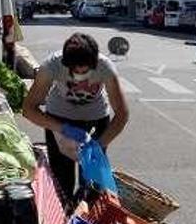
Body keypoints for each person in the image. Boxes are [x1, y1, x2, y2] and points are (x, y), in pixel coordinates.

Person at [21, 33, 131, 202]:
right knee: (62, 177)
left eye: (85, 70)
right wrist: (61, 128)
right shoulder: (52, 65)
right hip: (59, 117)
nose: (80, 74)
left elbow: (122, 114)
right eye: (75, 70)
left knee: (92, 181)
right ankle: (64, 216)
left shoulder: (105, 67)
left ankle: (87, 218)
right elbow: (29, 109)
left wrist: (98, 145)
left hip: (95, 118)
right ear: (67, 64)